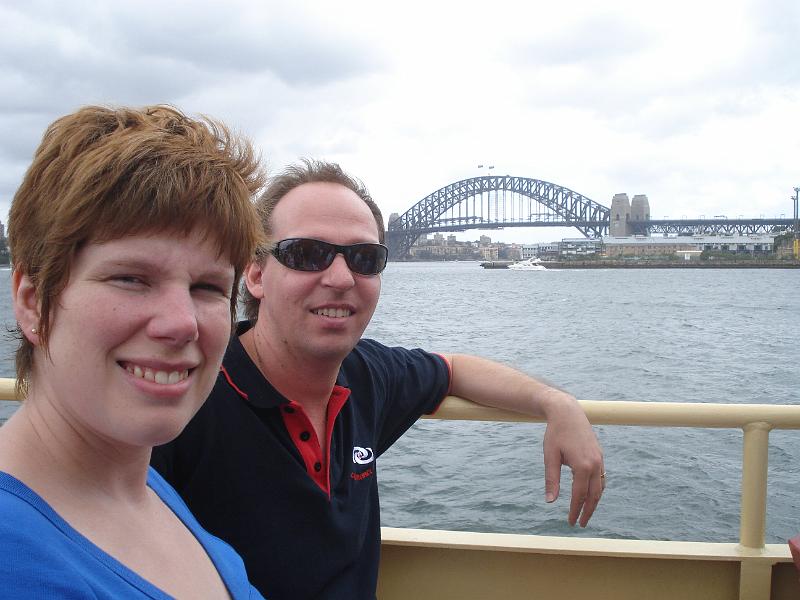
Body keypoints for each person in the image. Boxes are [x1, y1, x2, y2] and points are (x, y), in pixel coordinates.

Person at [152, 159, 605, 600]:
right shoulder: (184, 399)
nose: (341, 277)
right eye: (308, 254)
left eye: (365, 258)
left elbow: (453, 370)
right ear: (255, 274)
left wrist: (557, 402)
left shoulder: (366, 376)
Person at [0, 105, 268, 599]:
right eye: (130, 278)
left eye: (208, 287)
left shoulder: (142, 487)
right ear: (33, 302)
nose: (182, 322)